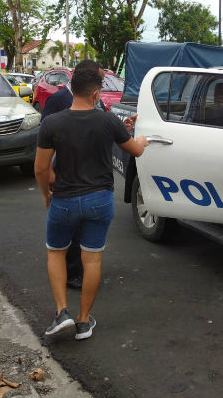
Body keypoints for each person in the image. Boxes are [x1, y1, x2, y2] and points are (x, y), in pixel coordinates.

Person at [34, 69, 147, 340]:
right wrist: (140, 138)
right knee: (92, 259)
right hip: (99, 200)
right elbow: (136, 150)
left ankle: (62, 313)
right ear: (96, 93)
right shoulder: (108, 120)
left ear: (71, 89)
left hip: (64, 200)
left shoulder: (53, 123)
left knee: (56, 253)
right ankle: (84, 322)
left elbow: (40, 169)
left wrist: (46, 196)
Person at [41, 60, 108, 289]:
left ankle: (83, 269)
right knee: (68, 231)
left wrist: (123, 130)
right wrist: (49, 174)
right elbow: (44, 141)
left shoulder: (96, 102)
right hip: (67, 175)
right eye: (98, 78)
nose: (99, 85)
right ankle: (72, 272)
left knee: (84, 230)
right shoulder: (57, 101)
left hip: (92, 174)